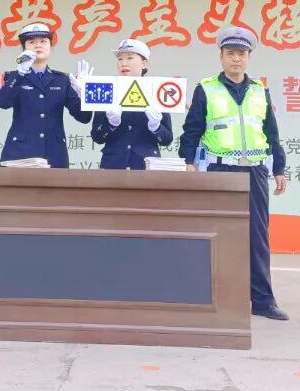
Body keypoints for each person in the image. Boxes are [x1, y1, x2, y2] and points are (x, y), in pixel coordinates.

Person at [178, 26, 288, 320]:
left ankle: (263, 301)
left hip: (254, 172)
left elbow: (272, 133)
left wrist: (279, 168)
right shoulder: (206, 89)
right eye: (230, 54)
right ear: (221, 57)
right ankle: (212, 297)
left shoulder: (260, 91)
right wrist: (188, 161)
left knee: (257, 237)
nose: (236, 59)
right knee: (215, 233)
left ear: (248, 58)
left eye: (241, 54)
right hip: (218, 169)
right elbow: (192, 129)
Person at [0, 22, 91, 167]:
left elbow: (84, 117)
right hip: (20, 153)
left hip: (54, 153)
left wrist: (84, 94)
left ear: (50, 47)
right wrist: (20, 74)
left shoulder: (62, 80)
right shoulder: (14, 77)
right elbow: (2, 103)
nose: (38, 45)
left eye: (43, 41)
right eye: (31, 42)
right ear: (24, 48)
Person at [91, 38, 173, 169]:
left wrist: (156, 126)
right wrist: (110, 124)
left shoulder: (155, 91)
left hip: (146, 166)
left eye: (130, 58)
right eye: (120, 59)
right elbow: (97, 137)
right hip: (113, 165)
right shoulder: (108, 90)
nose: (123, 63)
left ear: (144, 64)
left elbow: (167, 139)